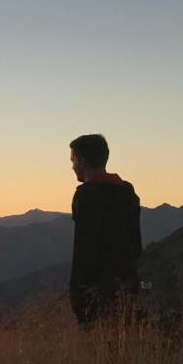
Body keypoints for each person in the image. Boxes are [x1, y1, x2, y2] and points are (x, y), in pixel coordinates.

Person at [68, 134, 142, 327]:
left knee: (100, 348)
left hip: (96, 290)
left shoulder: (85, 196)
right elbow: (136, 242)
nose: (72, 166)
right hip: (128, 284)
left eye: (73, 160)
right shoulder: (128, 193)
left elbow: (83, 247)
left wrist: (77, 291)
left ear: (83, 161)